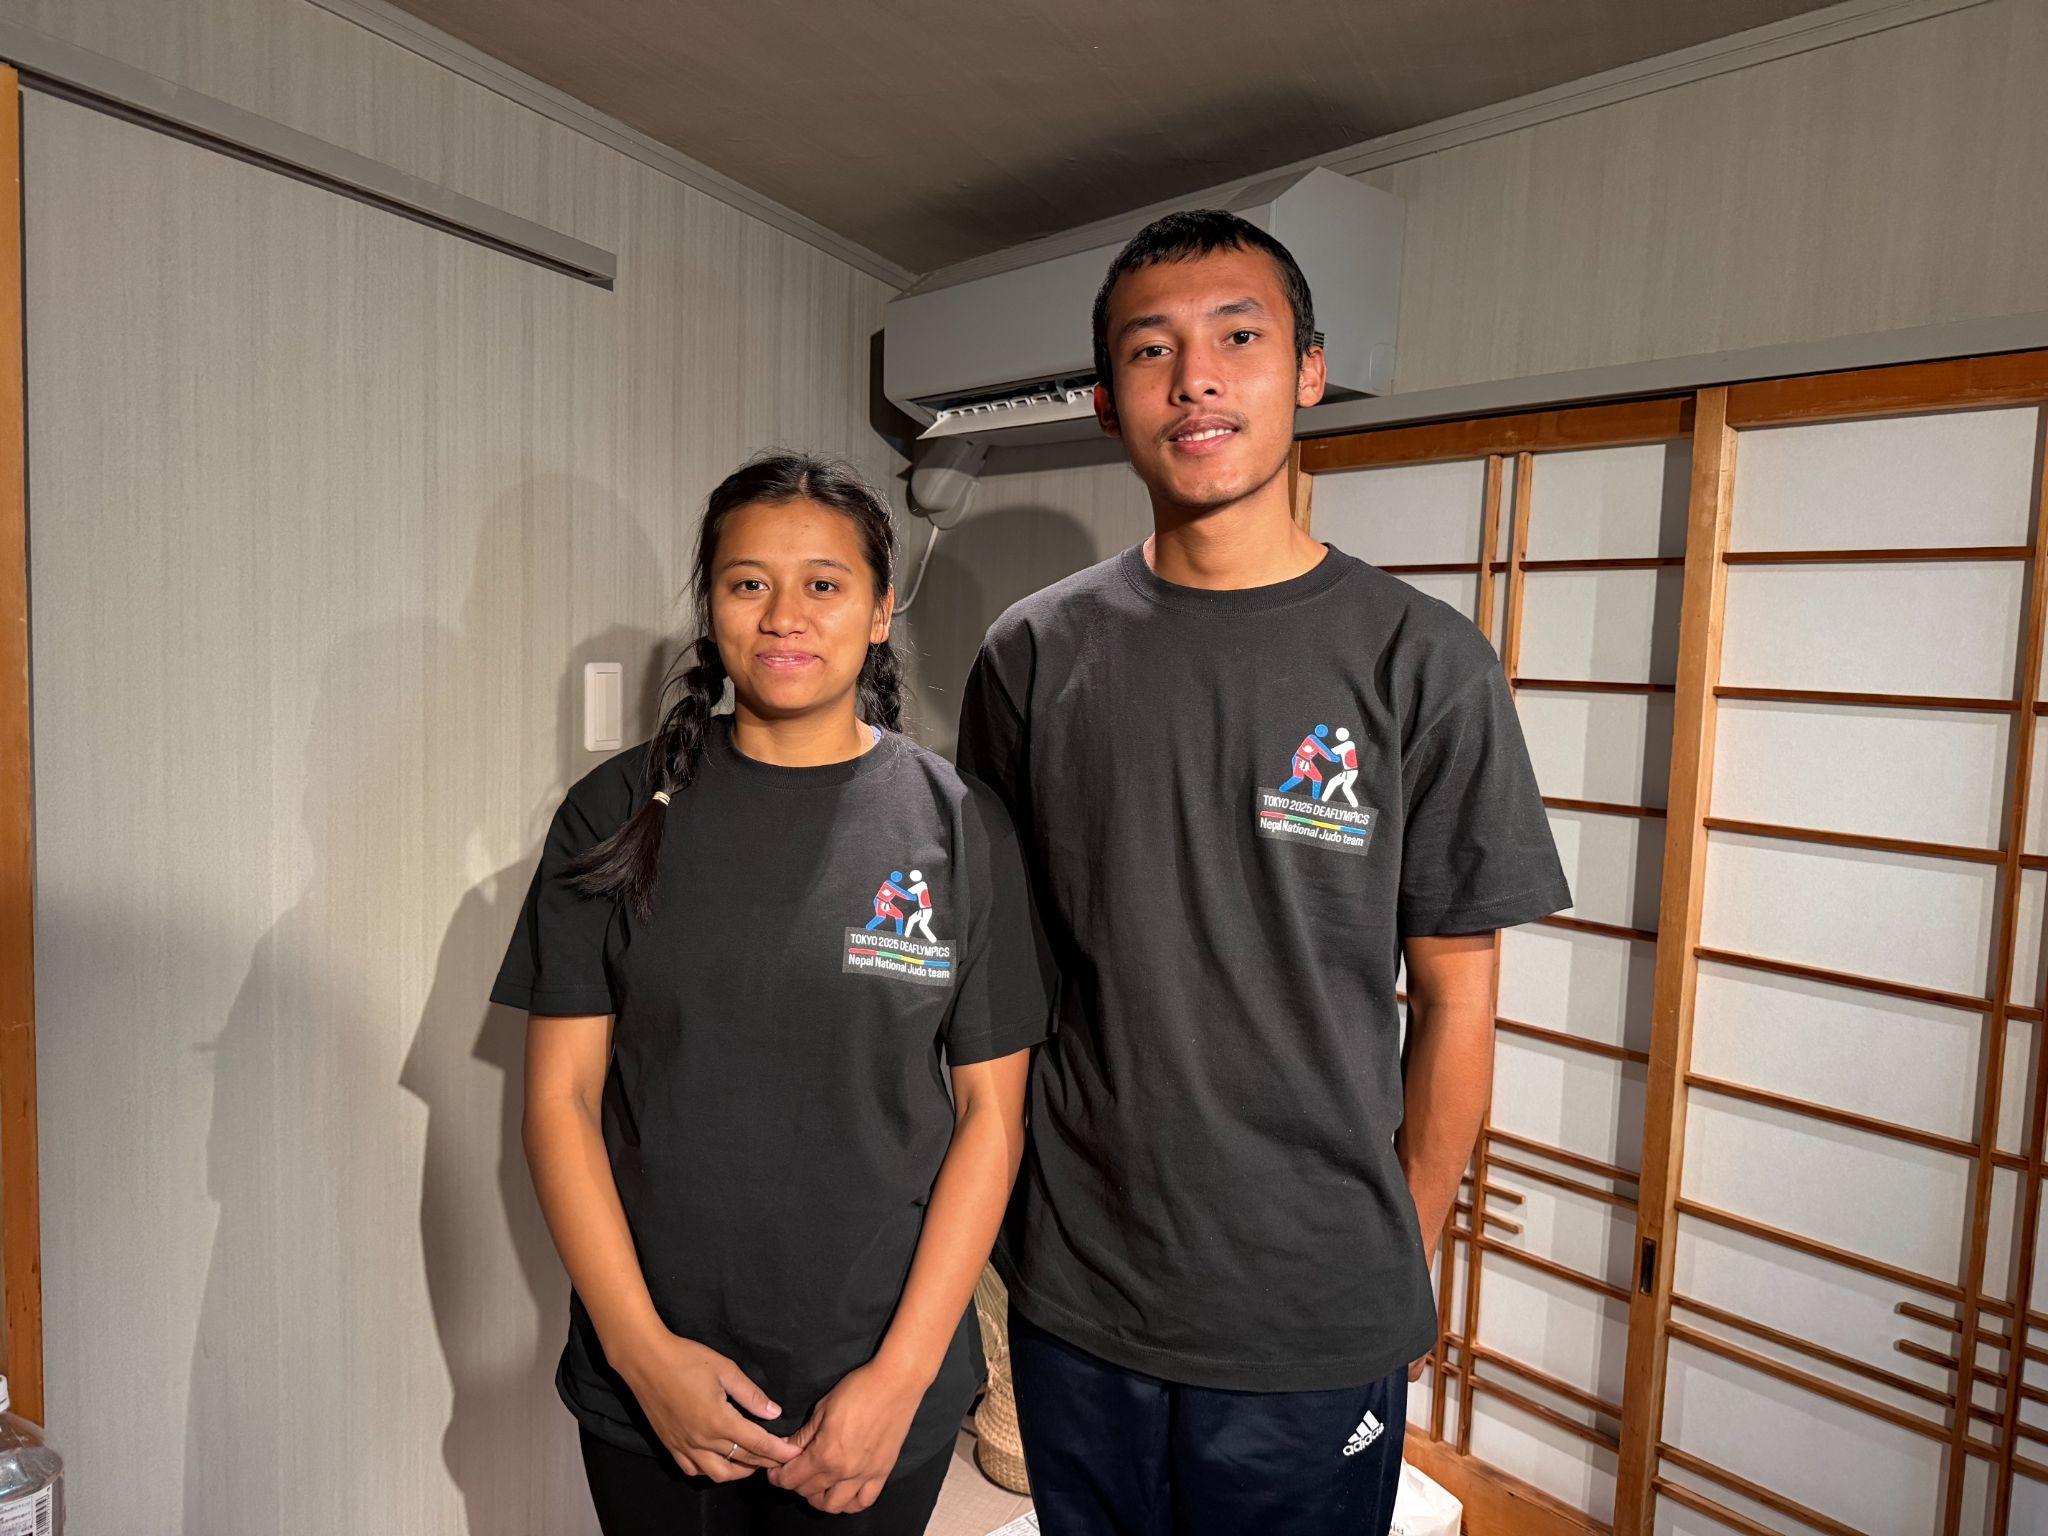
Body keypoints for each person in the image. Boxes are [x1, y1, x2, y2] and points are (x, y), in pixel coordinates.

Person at [957, 211, 1571, 1535]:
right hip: (1078, 1283)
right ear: (1107, 400)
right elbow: (1001, 978)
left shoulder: (1421, 661)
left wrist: (1397, 1251)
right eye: (1150, 350)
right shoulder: (1031, 655)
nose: (1196, 378)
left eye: (1238, 336)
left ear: (1308, 371)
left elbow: (1456, 999)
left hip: (1312, 1296)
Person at [494, 452, 1053, 1536]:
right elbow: (559, 1101)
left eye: (824, 583)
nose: (784, 615)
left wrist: (899, 1379)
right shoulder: (614, 811)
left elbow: (992, 1117)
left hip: (876, 1375)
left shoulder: (957, 825)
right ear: (710, 606)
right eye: (747, 582)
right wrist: (641, 1353)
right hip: (655, 1380)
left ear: (881, 611)